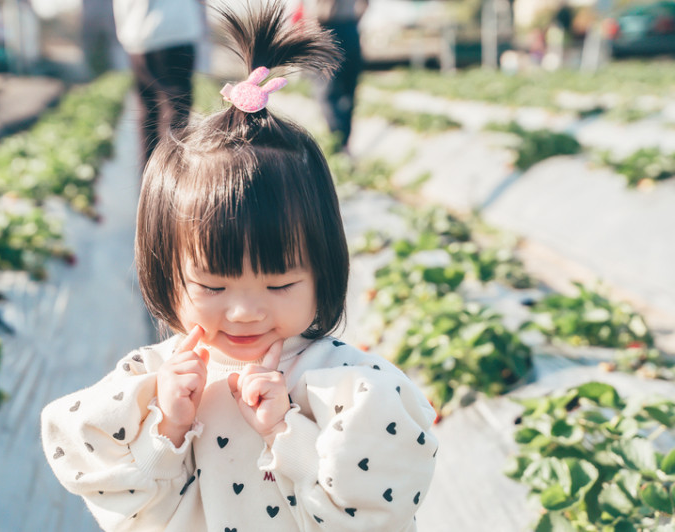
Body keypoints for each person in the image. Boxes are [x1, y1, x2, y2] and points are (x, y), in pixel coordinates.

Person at [40, 3, 437, 531]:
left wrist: (286, 434)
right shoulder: (154, 383)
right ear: (165, 271)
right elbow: (122, 499)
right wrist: (170, 429)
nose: (246, 310)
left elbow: (369, 517)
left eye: (280, 283)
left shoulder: (345, 388)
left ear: (325, 271)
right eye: (212, 284)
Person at [112, 0, 203, 167]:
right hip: (174, 33)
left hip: (137, 37)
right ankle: (171, 175)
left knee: (147, 110)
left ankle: (148, 176)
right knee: (177, 108)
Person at [304, 0, 369, 152]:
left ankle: (337, 141)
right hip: (350, 28)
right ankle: (344, 142)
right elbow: (365, 5)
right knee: (348, 90)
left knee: (325, 91)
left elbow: (320, 10)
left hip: (328, 28)